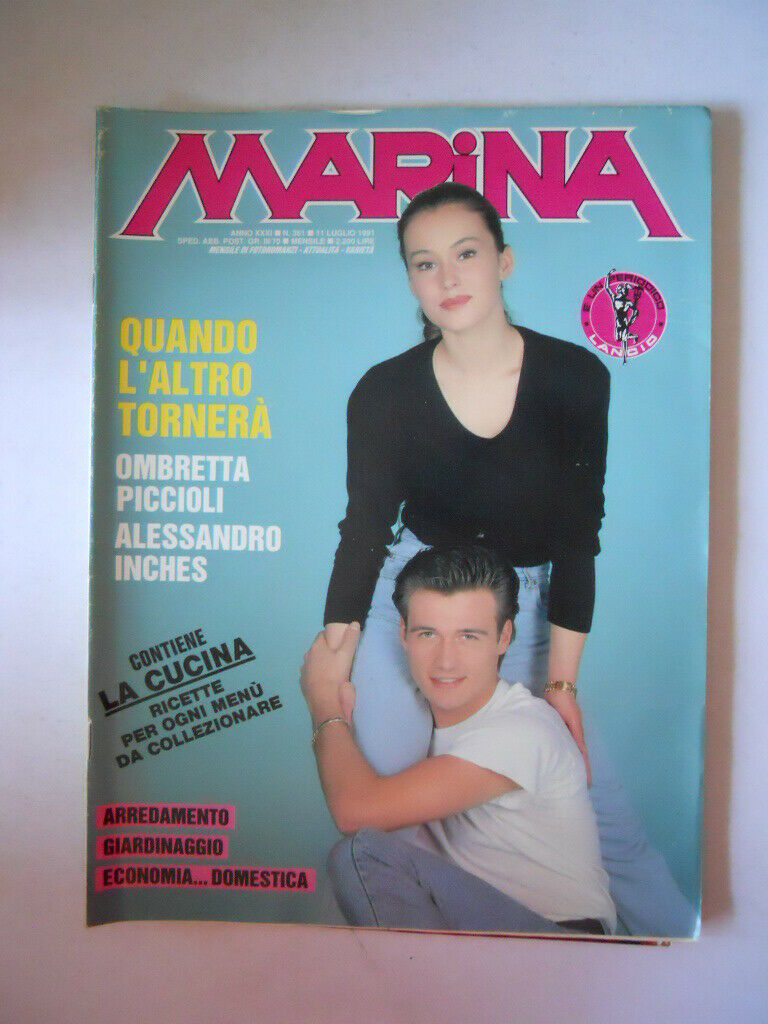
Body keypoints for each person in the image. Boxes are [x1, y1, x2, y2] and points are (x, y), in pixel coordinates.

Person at [322, 181, 696, 936]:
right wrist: (334, 657)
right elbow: (363, 531)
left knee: (610, 831)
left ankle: (678, 968)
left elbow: (578, 537)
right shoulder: (383, 392)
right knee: (397, 811)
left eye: (466, 254)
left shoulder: (574, 377)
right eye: (425, 263)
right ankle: (441, 978)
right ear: (409, 279)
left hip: (520, 611)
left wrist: (561, 683)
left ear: (505, 260)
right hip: (412, 603)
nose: (448, 278)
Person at [302, 545, 616, 935]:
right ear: (403, 634)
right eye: (428, 633)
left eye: (468, 636)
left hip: (561, 942)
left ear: (504, 637)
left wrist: (322, 699)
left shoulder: (522, 729)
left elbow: (355, 812)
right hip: (488, 934)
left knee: (362, 854)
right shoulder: (417, 735)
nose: (445, 661)